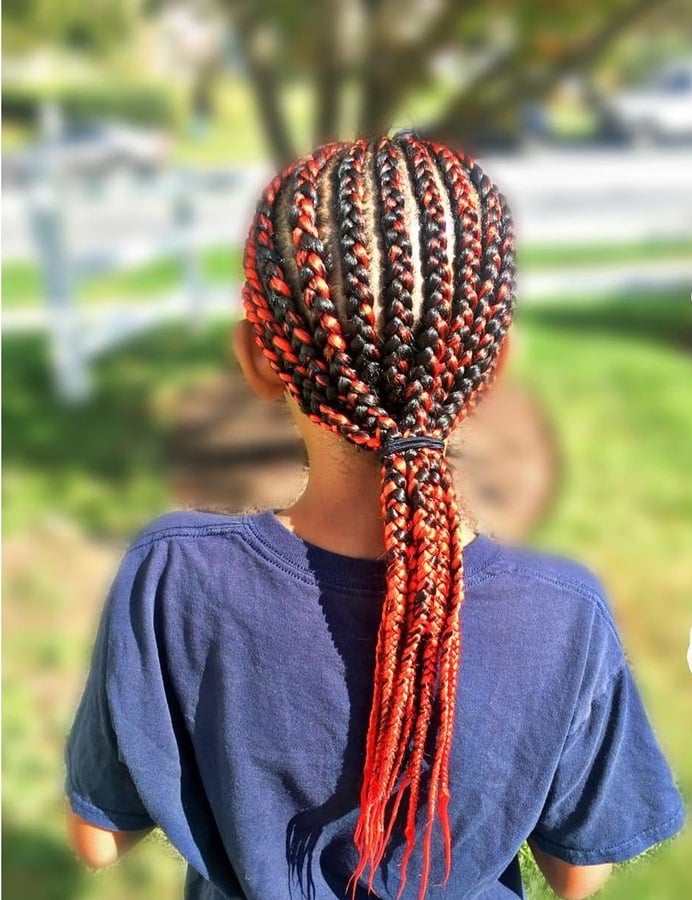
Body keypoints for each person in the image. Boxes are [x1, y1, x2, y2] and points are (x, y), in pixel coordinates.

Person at [65, 134, 685, 900]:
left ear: (258, 359)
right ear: (490, 368)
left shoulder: (173, 573)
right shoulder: (563, 610)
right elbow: (581, 872)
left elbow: (98, 841)